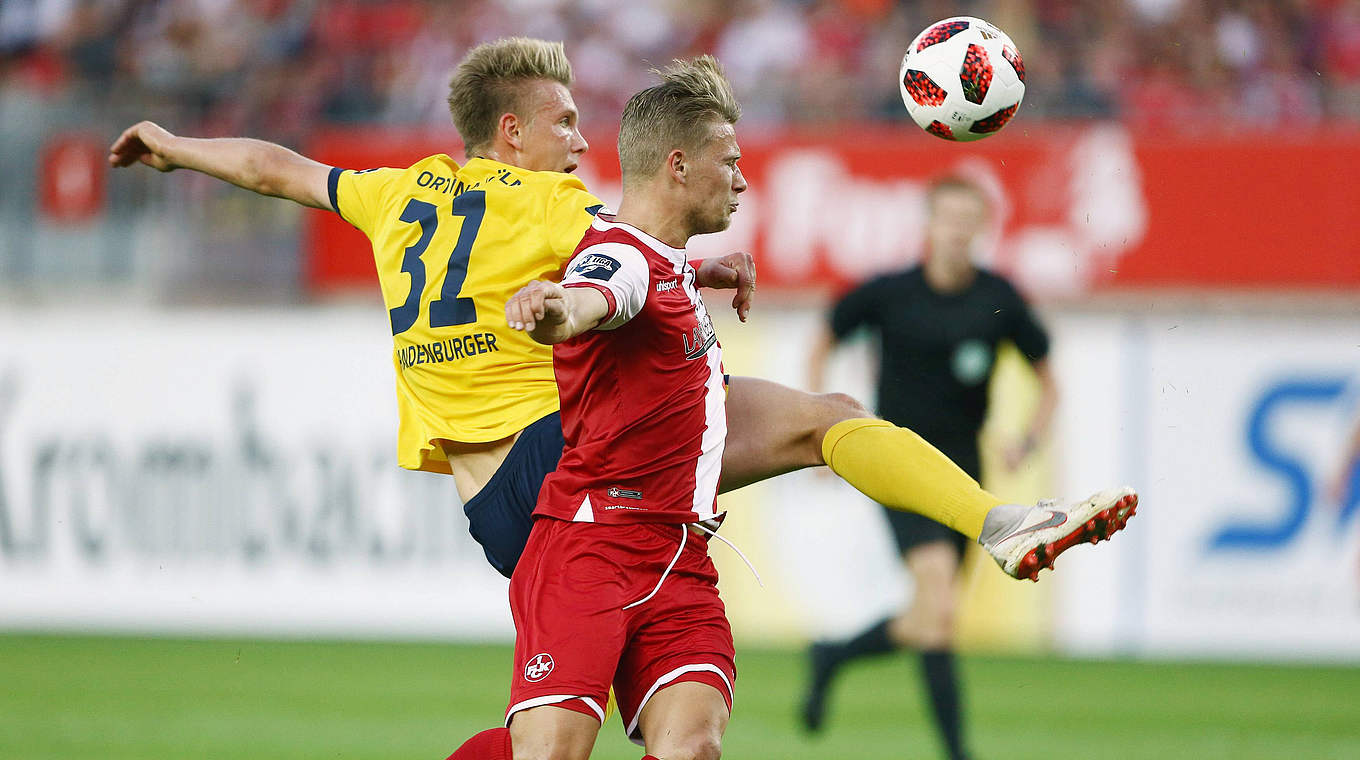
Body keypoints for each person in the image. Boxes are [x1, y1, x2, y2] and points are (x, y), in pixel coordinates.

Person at [108, 36, 1134, 589]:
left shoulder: (396, 193)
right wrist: (712, 256)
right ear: (511, 133)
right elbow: (632, 240)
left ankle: (996, 525)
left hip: (492, 510)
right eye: (565, 121)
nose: (582, 138)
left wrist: (172, 145)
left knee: (594, 718)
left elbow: (275, 165)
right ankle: (996, 522)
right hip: (569, 465)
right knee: (822, 419)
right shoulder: (553, 204)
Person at [452, 53, 744, 760]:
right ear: (678, 165)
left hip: (680, 555)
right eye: (728, 161)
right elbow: (593, 297)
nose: (740, 179)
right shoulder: (620, 257)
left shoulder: (666, 259)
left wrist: (704, 271)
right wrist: (555, 310)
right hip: (589, 550)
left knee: (693, 750)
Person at [798, 175, 1058, 759]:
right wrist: (819, 423)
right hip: (900, 467)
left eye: (970, 219)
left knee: (930, 617)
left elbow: (1048, 382)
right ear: (929, 224)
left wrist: (1029, 438)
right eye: (949, 217)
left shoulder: (998, 298)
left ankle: (832, 657)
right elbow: (823, 338)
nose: (958, 230)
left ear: (983, 227)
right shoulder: (891, 292)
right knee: (937, 605)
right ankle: (959, 753)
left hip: (966, 473)